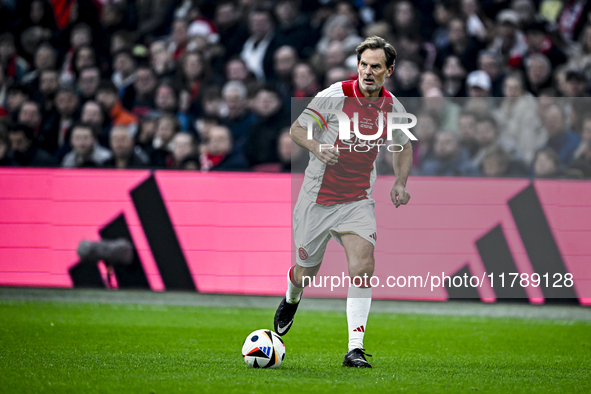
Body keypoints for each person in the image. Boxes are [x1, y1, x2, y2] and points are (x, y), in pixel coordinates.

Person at [274, 36, 413, 368]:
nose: (367, 71)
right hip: (318, 200)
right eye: (363, 64)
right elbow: (297, 129)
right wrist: (318, 147)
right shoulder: (335, 96)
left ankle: (355, 348)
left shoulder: (393, 107)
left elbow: (403, 146)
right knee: (306, 273)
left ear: (388, 71)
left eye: (375, 66)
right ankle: (292, 297)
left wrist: (401, 181)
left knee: (363, 267)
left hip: (357, 201)